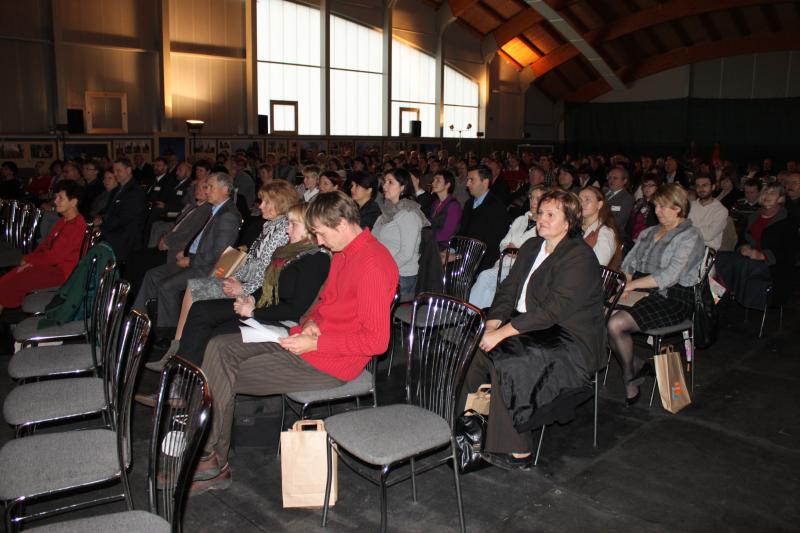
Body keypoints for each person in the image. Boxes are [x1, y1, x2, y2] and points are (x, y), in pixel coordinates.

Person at [190, 191, 398, 493]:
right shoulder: (344, 252)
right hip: (308, 341)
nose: (319, 242)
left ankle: (212, 460)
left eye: (321, 234)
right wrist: (311, 323)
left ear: (342, 224)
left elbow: (376, 341)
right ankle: (206, 447)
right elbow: (322, 302)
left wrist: (316, 343)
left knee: (219, 372)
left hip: (331, 363)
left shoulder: (373, 264)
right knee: (218, 346)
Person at [460, 190, 605, 470]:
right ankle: (471, 421)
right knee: (473, 345)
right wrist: (493, 322)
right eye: (540, 213)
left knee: (508, 359)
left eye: (551, 214)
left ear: (569, 222)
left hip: (568, 336)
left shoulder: (579, 256)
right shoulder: (532, 246)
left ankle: (518, 448)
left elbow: (553, 310)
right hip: (532, 324)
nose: (542, 219)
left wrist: (502, 333)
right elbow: (509, 288)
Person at [135, 203, 331, 406]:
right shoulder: (288, 253)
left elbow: (296, 309)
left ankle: (186, 390)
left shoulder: (315, 259)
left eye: (293, 224)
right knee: (201, 309)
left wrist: (253, 312)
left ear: (309, 228)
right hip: (264, 309)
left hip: (281, 320)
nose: (287, 229)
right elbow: (268, 287)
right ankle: (181, 385)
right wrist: (251, 298)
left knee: (213, 327)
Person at [146, 181, 296, 367]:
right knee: (194, 288)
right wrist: (234, 277)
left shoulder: (282, 230)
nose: (260, 206)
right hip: (246, 282)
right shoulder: (270, 226)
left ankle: (177, 352)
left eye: (265, 202)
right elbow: (253, 262)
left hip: (254, 290)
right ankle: (176, 349)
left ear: (279, 203)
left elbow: (268, 271)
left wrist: (242, 288)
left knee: (195, 290)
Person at [607, 184, 705, 405]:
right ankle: (636, 364)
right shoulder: (649, 232)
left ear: (678, 208)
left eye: (662, 206)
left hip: (672, 295)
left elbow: (669, 276)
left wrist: (630, 287)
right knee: (597, 316)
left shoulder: (691, 236)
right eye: (656, 206)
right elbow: (629, 264)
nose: (656, 211)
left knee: (615, 324)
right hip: (642, 288)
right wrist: (625, 285)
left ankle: (629, 377)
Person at [132, 173, 241, 329]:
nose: (206, 190)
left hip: (207, 267)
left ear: (224, 190)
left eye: (210, 187)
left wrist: (190, 260)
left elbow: (218, 254)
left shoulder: (228, 215)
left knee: (167, 286)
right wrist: (187, 254)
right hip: (195, 259)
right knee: (153, 275)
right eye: (206, 186)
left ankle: (169, 332)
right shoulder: (217, 209)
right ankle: (139, 318)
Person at [0, 181, 86, 313]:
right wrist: (31, 260)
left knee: (10, 282)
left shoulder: (76, 226)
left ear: (73, 202)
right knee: (8, 280)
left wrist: (30, 260)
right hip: (50, 266)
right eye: (56, 197)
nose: (55, 201)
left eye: (60, 198)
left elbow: (54, 257)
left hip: (61, 273)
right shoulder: (63, 220)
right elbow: (46, 244)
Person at [715, 183, 796, 310]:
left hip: (772, 265)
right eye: (765, 192)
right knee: (720, 258)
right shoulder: (754, 216)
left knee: (743, 265)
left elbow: (790, 251)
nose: (767, 196)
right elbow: (742, 238)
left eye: (772, 193)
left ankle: (725, 301)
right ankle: (715, 300)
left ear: (780, 198)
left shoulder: (787, 220)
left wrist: (763, 255)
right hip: (748, 258)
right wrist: (743, 247)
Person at [468, 185, 545, 310]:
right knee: (489, 290)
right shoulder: (520, 220)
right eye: (531, 197)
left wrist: (516, 251)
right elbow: (503, 243)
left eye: (538, 198)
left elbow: (536, 252)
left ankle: (468, 313)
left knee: (485, 276)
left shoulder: (544, 226)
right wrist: (509, 248)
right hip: (503, 263)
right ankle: (481, 316)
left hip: (520, 270)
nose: (533, 202)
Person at [372, 168, 429, 301]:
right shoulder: (387, 212)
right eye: (385, 182)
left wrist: (380, 270)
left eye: (390, 182)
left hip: (401, 276)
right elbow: (373, 239)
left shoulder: (409, 214)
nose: (384, 186)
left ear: (403, 187)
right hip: (382, 270)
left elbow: (406, 254)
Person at [94, 157, 147, 262]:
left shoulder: (135, 192)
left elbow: (123, 218)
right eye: (114, 171)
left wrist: (102, 227)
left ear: (128, 170)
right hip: (115, 229)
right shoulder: (117, 189)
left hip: (125, 235)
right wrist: (100, 217)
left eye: (118, 171)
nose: (115, 174)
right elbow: (107, 210)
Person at [458, 165, 509, 271]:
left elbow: (495, 243)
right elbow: (462, 231)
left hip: (483, 260)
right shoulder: (469, 204)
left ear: (485, 182)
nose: (467, 184)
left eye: (472, 180)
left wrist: (465, 257)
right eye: (467, 180)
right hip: (466, 255)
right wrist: (454, 250)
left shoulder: (497, 207)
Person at [579, 186, 621, 268]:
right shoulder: (572, 225)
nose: (582, 204)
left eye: (587, 199)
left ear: (599, 204)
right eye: (579, 200)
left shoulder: (605, 232)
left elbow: (599, 265)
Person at [688, 175, 728, 250]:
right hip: (687, 245)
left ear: (713, 187)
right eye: (698, 186)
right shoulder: (690, 205)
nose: (701, 189)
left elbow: (708, 235)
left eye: (704, 185)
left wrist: (686, 228)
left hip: (706, 249)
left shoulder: (721, 211)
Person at [428, 169, 462, 249]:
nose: (433, 183)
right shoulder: (435, 203)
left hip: (444, 246)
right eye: (434, 180)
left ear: (447, 185)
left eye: (438, 180)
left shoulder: (454, 206)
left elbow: (446, 234)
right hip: (433, 242)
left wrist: (425, 237)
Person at [626, 175, 659, 242]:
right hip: (631, 238)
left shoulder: (658, 205)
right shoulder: (639, 202)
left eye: (651, 185)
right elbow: (630, 222)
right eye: (644, 185)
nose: (647, 188)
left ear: (657, 187)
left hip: (647, 240)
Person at [604, 165, 635, 232]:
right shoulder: (604, 192)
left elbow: (618, 221)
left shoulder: (627, 198)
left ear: (624, 181)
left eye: (615, 178)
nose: (611, 181)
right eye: (609, 178)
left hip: (613, 232)